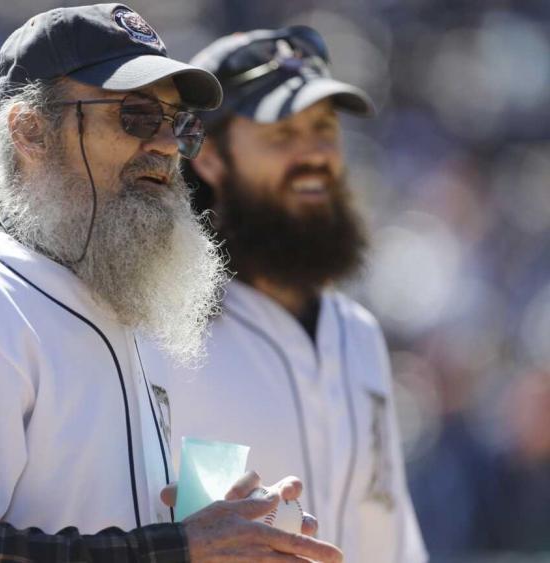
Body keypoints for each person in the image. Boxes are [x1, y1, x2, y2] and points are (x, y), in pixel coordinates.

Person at [0, 5, 342, 562]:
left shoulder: (116, 302)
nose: (167, 146)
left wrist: (222, 536)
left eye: (177, 123)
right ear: (30, 131)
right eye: (136, 115)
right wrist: (178, 549)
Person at [138, 26, 427, 562]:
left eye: (324, 129)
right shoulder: (157, 331)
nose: (314, 154)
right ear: (210, 158)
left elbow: (391, 536)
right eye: (281, 135)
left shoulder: (357, 333)